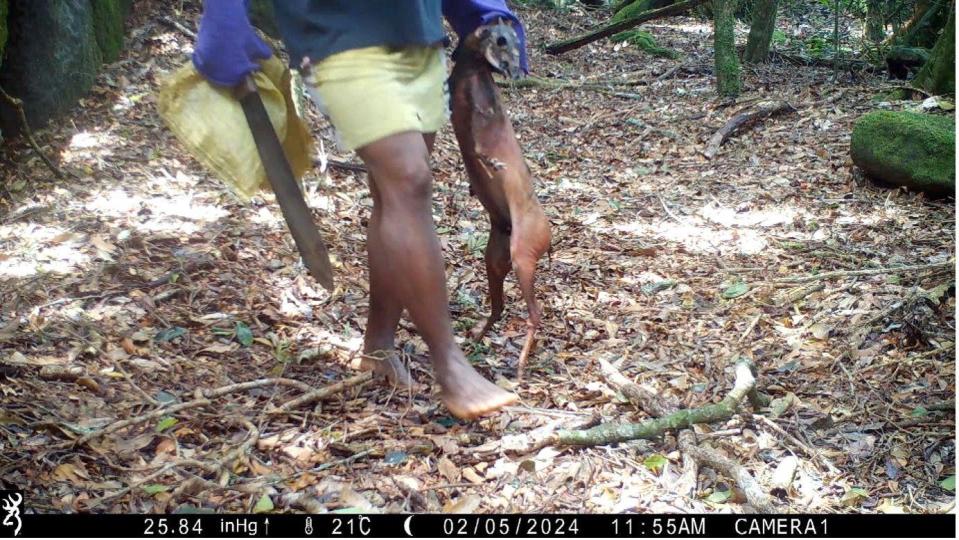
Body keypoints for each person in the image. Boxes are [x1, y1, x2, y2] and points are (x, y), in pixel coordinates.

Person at [193, 0, 529, 420]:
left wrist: (482, 12)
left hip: (416, 30)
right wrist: (224, 16)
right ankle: (451, 366)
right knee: (408, 179)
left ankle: (378, 345)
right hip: (335, 32)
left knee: (392, 191)